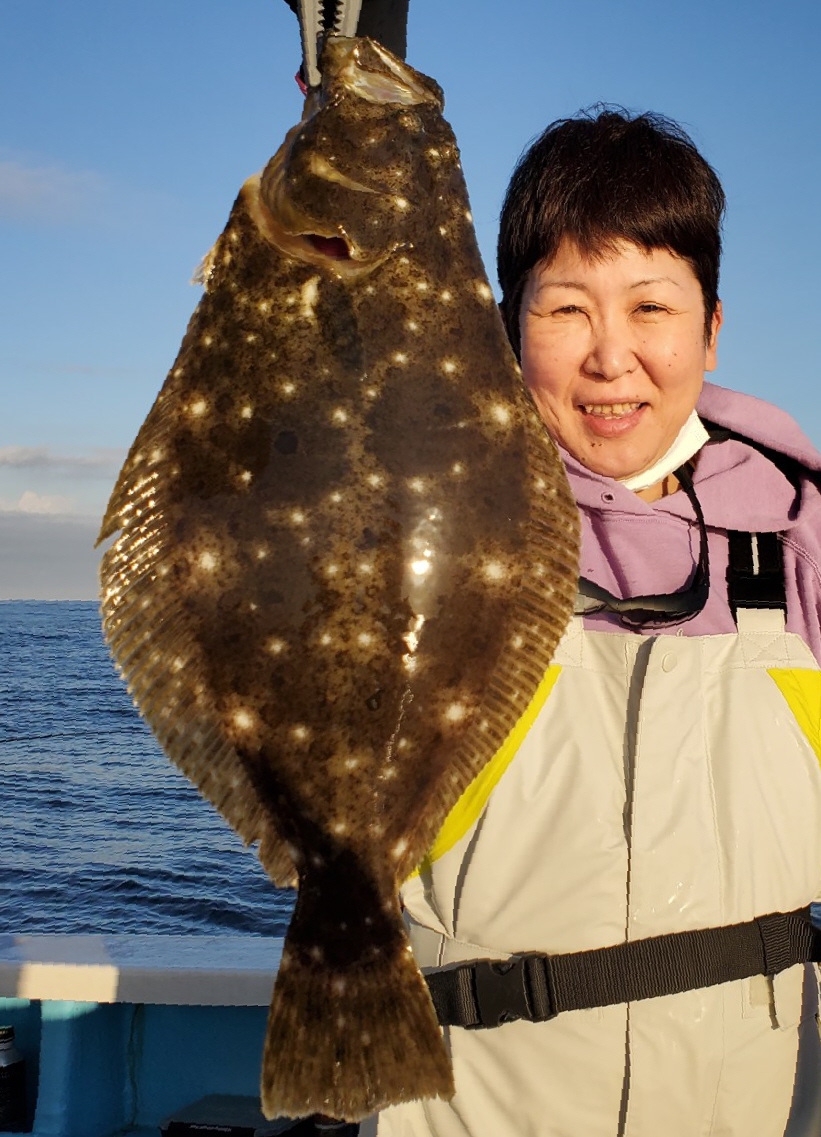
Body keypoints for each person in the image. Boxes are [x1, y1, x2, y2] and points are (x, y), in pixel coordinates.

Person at [362, 109, 821, 1137]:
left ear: (709, 326)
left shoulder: (799, 538)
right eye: (565, 309)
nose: (611, 357)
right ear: (507, 327)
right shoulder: (422, 524)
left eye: (650, 306)